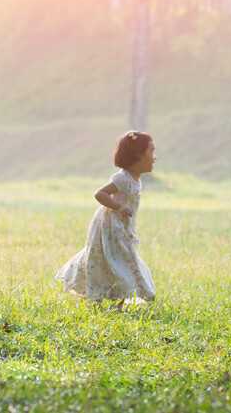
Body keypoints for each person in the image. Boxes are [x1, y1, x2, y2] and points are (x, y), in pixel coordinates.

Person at [55, 130, 157, 304]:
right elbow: (100, 194)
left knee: (123, 257)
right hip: (111, 226)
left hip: (124, 226)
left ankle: (121, 297)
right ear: (138, 156)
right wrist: (119, 207)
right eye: (151, 152)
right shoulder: (123, 178)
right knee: (114, 257)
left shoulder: (135, 179)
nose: (154, 157)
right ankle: (106, 294)